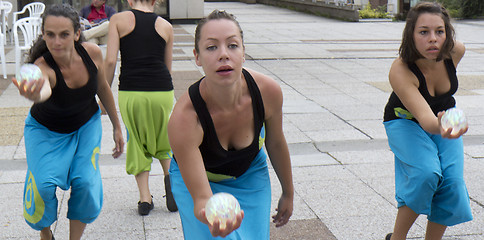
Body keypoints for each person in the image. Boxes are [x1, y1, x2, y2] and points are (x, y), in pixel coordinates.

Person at [168, 10, 294, 239]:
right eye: (211, 47)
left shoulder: (268, 92)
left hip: (250, 173)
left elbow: (275, 142)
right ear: (197, 57)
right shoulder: (185, 118)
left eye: (233, 45)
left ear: (244, 52)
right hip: (198, 180)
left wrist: (288, 192)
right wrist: (209, 214)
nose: (223, 55)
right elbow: (202, 199)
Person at [12, 4, 124, 240]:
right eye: (50, 34)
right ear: (43, 34)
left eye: (64, 34)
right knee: (42, 187)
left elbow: (102, 87)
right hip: (44, 132)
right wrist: (33, 91)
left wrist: (116, 126)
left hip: (85, 126)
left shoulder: (92, 53)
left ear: (76, 33)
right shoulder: (44, 67)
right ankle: (45, 234)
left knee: (85, 183)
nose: (57, 42)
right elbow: (41, 88)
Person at [383, 2, 473, 240]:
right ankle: (397, 238)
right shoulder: (400, 70)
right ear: (411, 35)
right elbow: (427, 120)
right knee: (426, 174)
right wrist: (444, 125)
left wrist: (449, 122)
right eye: (424, 32)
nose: (433, 39)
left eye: (439, 31)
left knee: (452, 183)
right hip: (406, 121)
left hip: (444, 117)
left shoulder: (456, 51)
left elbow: (439, 117)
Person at [104, 0, 177, 215]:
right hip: (162, 90)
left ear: (129, 0)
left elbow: (110, 61)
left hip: (132, 90)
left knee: (136, 138)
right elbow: (168, 67)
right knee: (164, 138)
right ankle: (171, 184)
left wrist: (103, 94)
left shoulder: (118, 20)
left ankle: (145, 200)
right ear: (155, 1)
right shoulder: (166, 26)